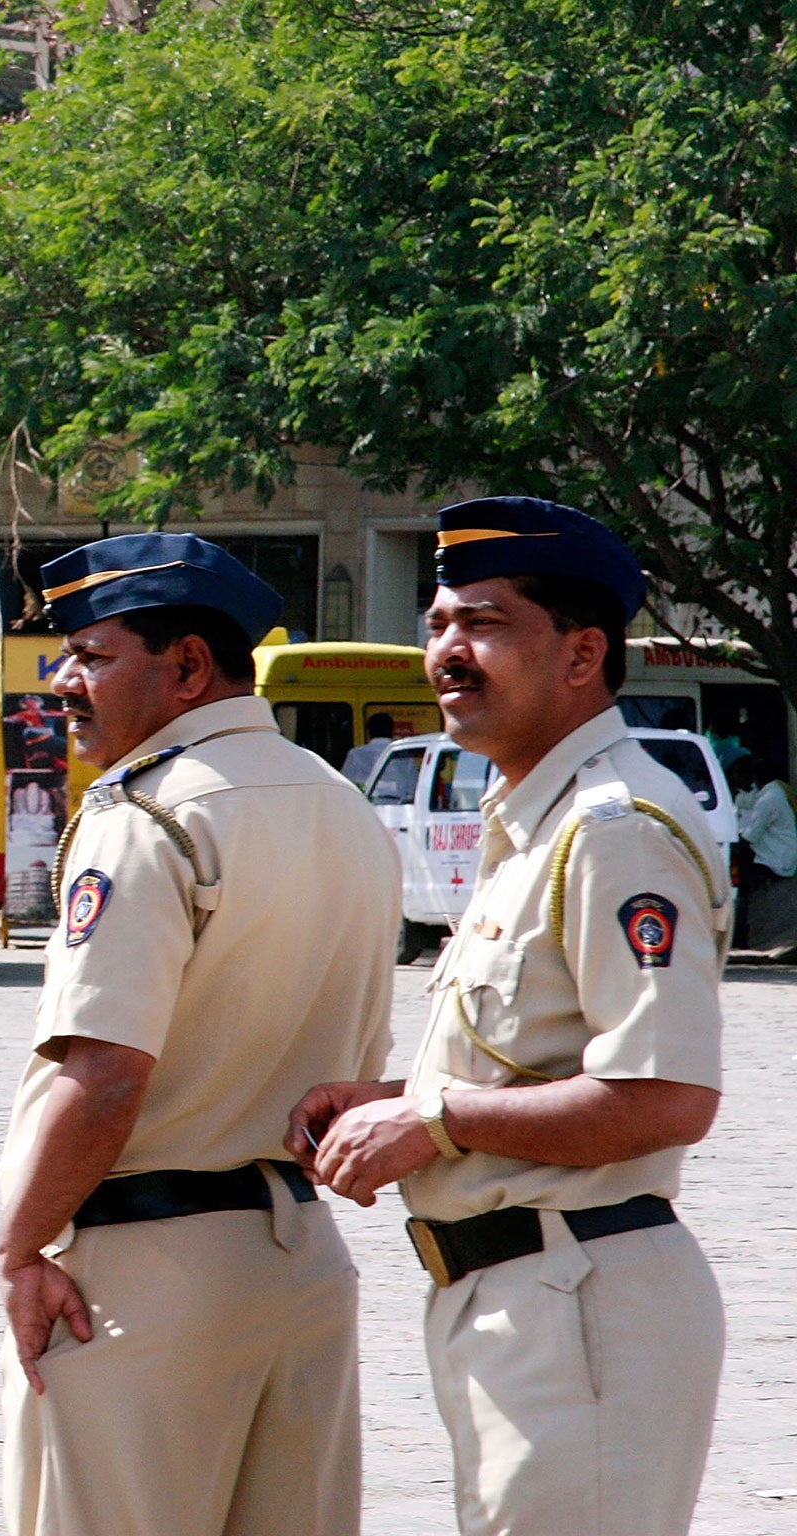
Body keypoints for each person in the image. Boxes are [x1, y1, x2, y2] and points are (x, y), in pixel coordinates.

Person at [292, 496, 729, 1536]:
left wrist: (433, 1121)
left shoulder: (611, 828)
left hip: (578, 1298)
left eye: (482, 624)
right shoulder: (530, 823)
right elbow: (540, 1064)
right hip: (515, 1298)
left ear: (582, 654)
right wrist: (396, 1101)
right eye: (436, 623)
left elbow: (664, 1097)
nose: (447, 650)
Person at [0, 532, 402, 1536]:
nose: (64, 682)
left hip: (146, 1271)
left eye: (91, 655)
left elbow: (103, 1077)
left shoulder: (150, 816)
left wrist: (17, 1250)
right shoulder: (342, 804)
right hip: (299, 1260)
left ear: (184, 666)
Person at [730, 754, 797, 891]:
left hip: (778, 857)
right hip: (782, 850)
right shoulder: (772, 791)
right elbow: (750, 802)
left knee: (740, 855)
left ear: (755, 777)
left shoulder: (769, 799)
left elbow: (751, 836)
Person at [341, 710, 396, 787]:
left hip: (366, 797)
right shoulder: (403, 754)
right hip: (398, 798)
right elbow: (412, 783)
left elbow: (346, 782)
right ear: (392, 729)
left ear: (369, 731)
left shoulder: (356, 753)